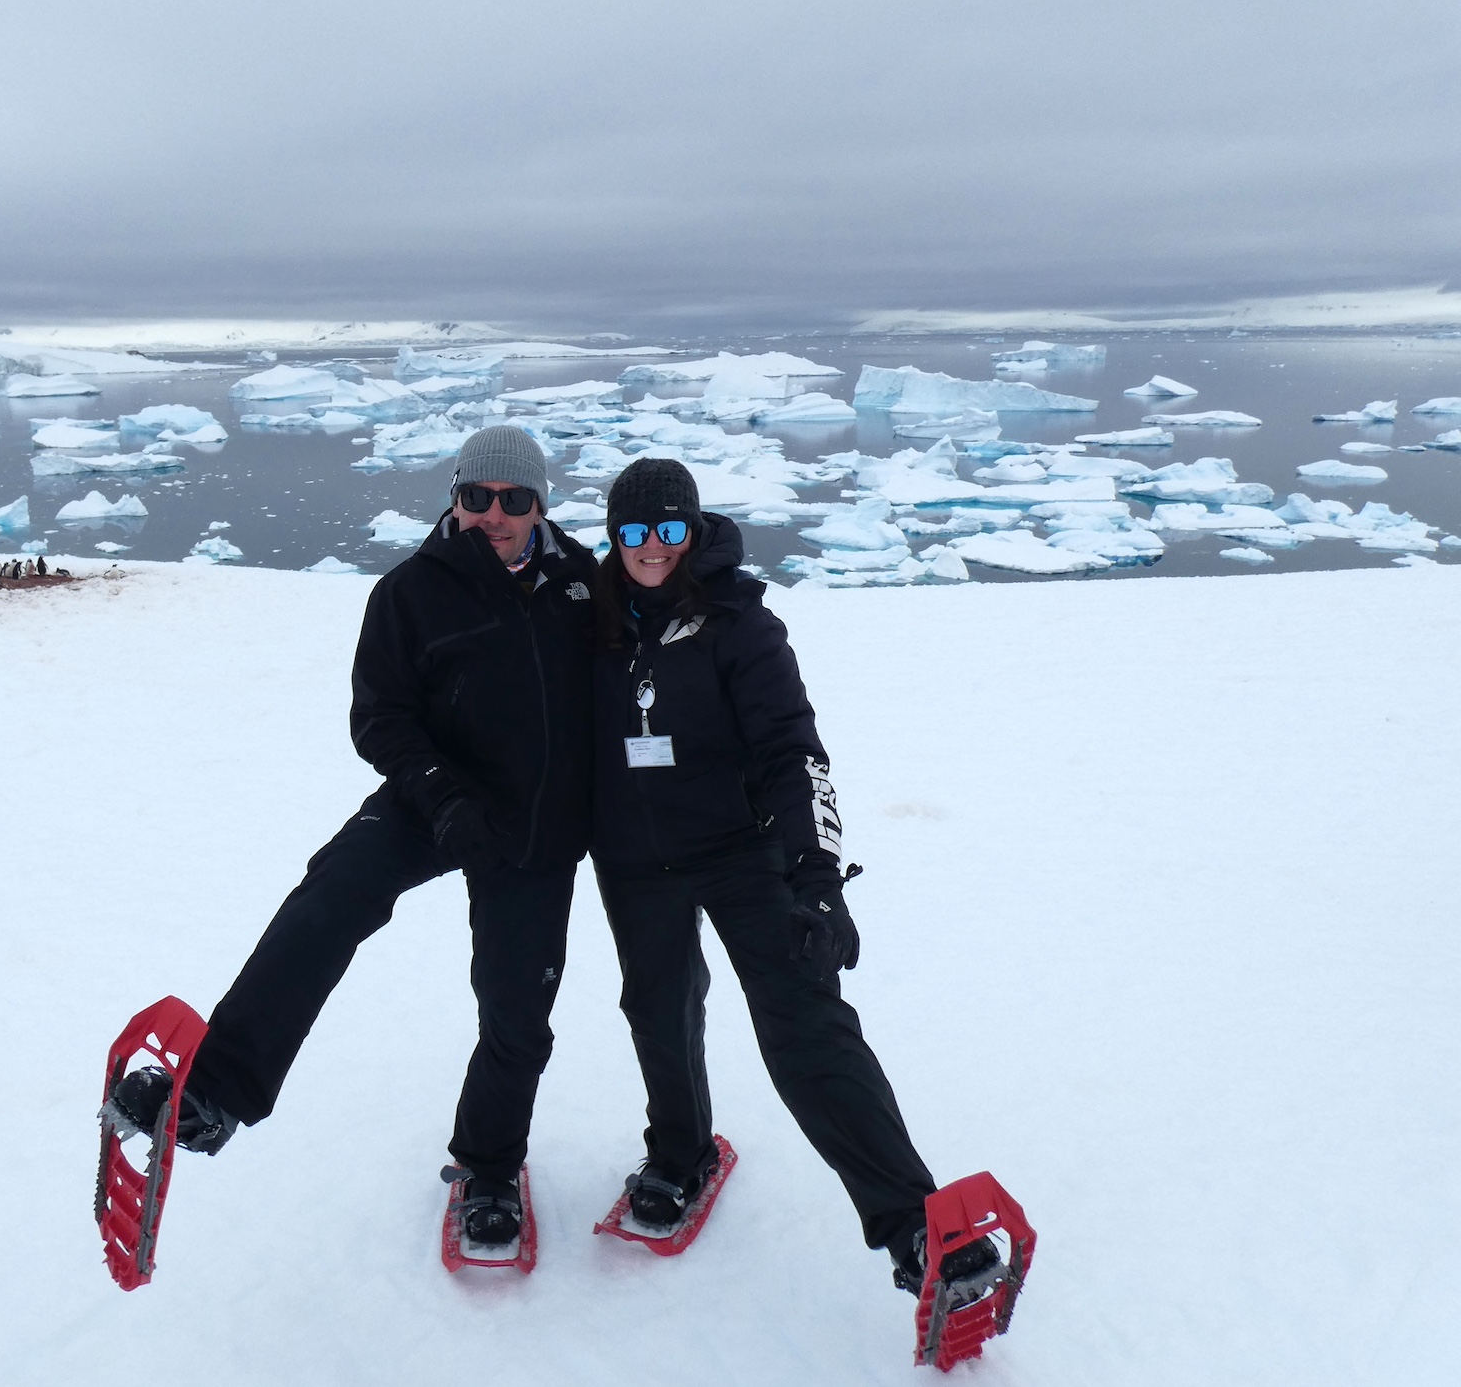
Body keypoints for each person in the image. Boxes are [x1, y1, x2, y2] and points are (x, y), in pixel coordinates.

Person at [110, 425, 599, 1248]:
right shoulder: (413, 591)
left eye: (513, 500)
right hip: (431, 800)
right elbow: (380, 718)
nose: (493, 515)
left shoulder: (584, 585)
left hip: (535, 824)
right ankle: (218, 1087)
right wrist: (442, 795)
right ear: (455, 497)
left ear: (540, 506)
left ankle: (488, 1169)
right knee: (332, 895)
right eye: (476, 497)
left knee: (518, 1009)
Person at [587, 457, 996, 1295]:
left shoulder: (740, 624)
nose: (653, 548)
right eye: (634, 532)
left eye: (670, 529)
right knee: (658, 1007)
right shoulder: (588, 622)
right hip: (634, 856)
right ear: (613, 538)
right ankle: (679, 1153)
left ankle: (915, 1227)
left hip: (744, 848)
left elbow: (792, 753)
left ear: (693, 531)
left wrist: (816, 878)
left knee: (804, 1023)